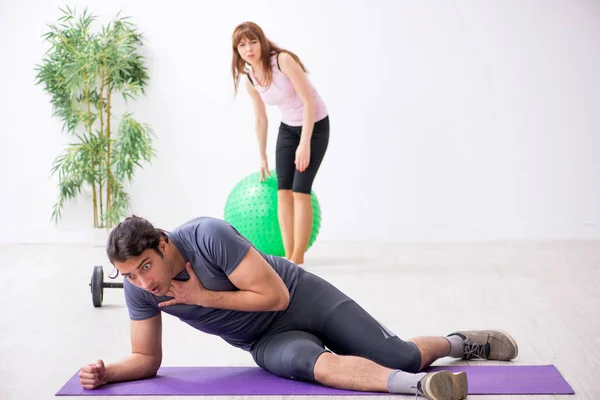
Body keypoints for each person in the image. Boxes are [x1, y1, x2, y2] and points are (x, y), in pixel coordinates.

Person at [78, 215, 519, 399]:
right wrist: (108, 372)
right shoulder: (141, 290)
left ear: (162, 242)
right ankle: (422, 388)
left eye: (146, 267)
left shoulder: (207, 235)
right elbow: (147, 359)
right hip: (266, 338)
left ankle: (461, 342)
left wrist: (201, 297)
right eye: (131, 275)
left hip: (302, 298)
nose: (143, 282)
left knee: (399, 352)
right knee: (319, 367)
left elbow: (277, 297)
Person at [231, 21, 330, 267]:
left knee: (300, 191)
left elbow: (308, 101)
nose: (249, 48)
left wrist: (305, 143)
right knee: (283, 191)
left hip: (314, 125)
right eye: (242, 45)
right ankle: (289, 257)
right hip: (288, 128)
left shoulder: (283, 61)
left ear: (262, 42)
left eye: (253, 41)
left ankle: (298, 257)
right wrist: (262, 156)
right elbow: (261, 118)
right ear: (237, 51)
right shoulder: (250, 79)